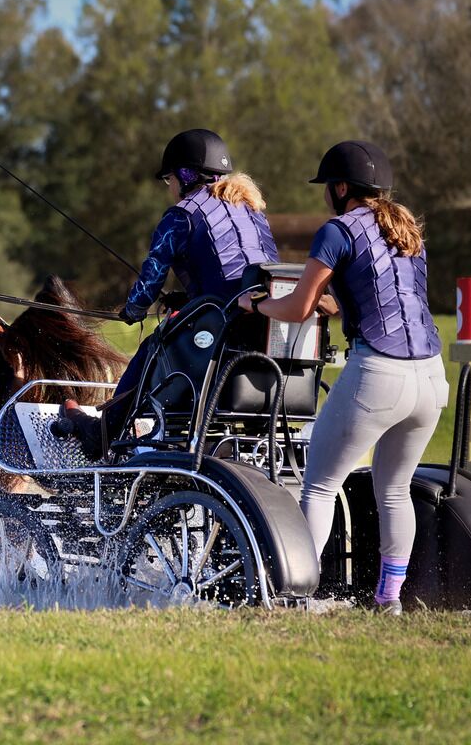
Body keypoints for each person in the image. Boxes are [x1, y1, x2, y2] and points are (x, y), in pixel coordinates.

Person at [237, 140, 446, 615]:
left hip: (379, 374)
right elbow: (387, 296)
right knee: (394, 490)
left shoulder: (337, 230)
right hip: (431, 378)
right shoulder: (407, 228)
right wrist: (339, 304)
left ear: (342, 188)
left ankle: (297, 596)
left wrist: (256, 305)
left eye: (327, 186)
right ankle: (389, 598)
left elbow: (298, 307)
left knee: (319, 485)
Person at [56, 128, 279, 459]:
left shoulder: (182, 214)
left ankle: (102, 432)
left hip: (221, 330)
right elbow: (238, 272)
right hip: (263, 331)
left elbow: (150, 279)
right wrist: (186, 300)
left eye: (169, 179)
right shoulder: (251, 210)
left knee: (153, 346)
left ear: (186, 176)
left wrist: (133, 310)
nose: (170, 188)